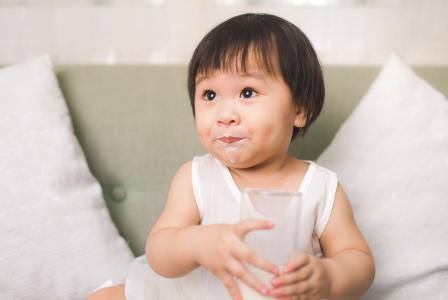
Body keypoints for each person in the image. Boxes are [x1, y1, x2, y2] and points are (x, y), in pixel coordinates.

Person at [88, 13, 375, 300]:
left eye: (247, 92)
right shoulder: (196, 177)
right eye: (210, 95)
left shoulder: (320, 187)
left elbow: (358, 260)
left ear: (299, 109)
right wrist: (197, 243)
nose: (225, 116)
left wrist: (328, 276)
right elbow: (159, 252)